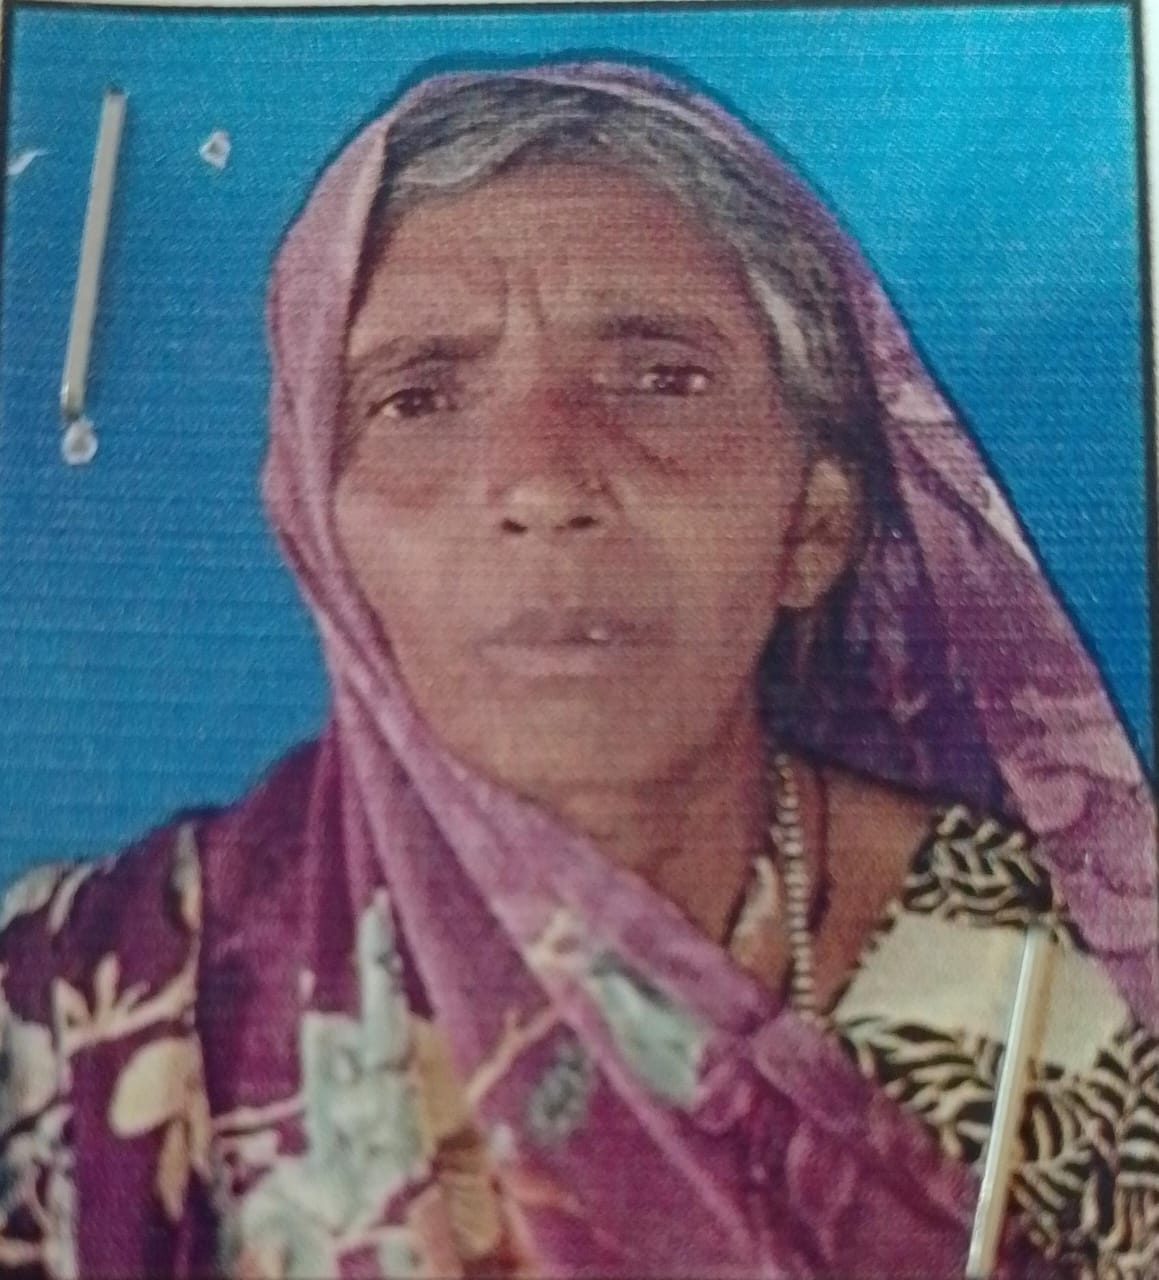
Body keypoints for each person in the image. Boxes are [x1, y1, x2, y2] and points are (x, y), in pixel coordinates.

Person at [0, 59, 1155, 1280]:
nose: (545, 481)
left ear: (813, 523)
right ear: (320, 534)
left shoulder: (1070, 994)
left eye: (661, 378)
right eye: (418, 397)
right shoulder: (89, 999)